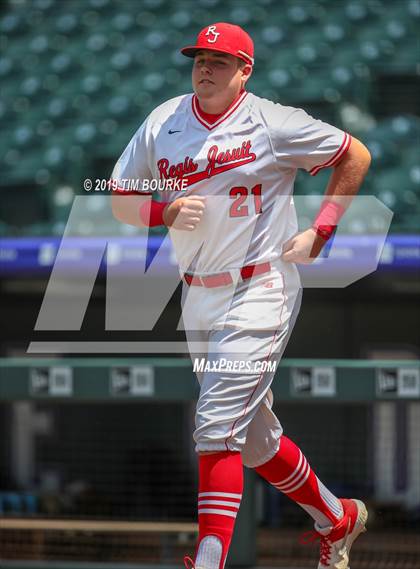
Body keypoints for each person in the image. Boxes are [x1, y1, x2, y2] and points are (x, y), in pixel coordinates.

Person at [111, 22, 371, 569]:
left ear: (244, 71)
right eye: (199, 58)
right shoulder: (165, 119)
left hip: (260, 286)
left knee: (213, 427)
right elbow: (118, 198)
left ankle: (209, 561)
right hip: (197, 296)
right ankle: (336, 516)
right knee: (252, 440)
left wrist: (323, 229)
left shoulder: (273, 122)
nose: (205, 68)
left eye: (219, 60)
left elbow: (355, 155)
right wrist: (163, 212)